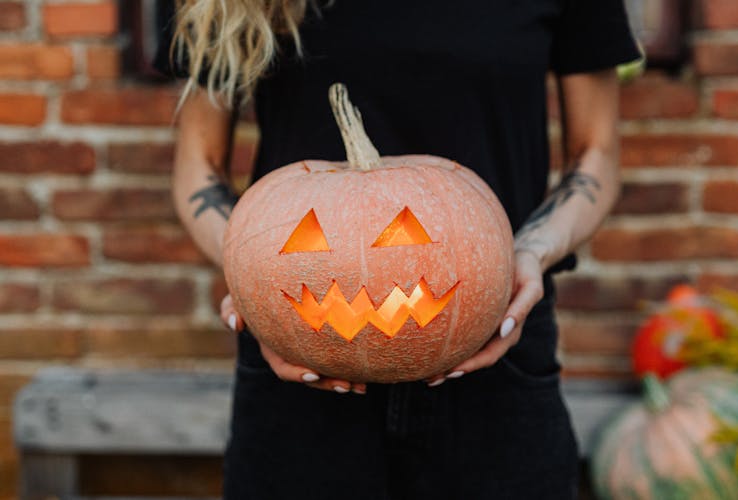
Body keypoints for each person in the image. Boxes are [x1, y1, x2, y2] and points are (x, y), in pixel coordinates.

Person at [155, 1, 639, 498]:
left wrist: (529, 254)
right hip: (296, 354)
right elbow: (200, 166)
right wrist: (252, 275)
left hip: (496, 337)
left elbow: (595, 155)